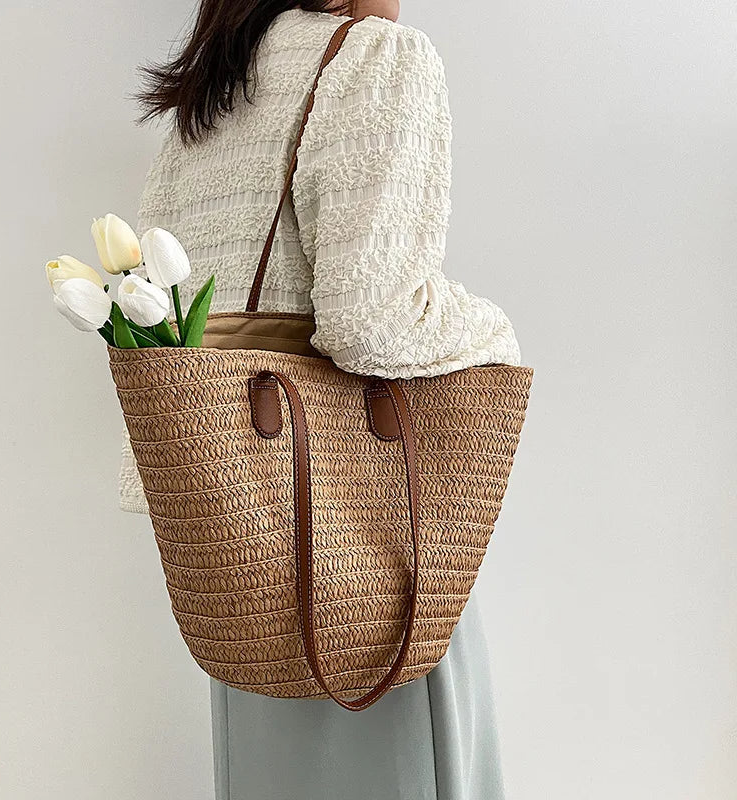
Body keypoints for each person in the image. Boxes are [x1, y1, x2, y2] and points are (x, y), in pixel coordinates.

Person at [126, 1, 521, 797]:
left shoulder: (212, 91)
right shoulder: (377, 59)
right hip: (363, 542)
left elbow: (170, 321)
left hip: (240, 552)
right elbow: (370, 320)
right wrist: (493, 330)